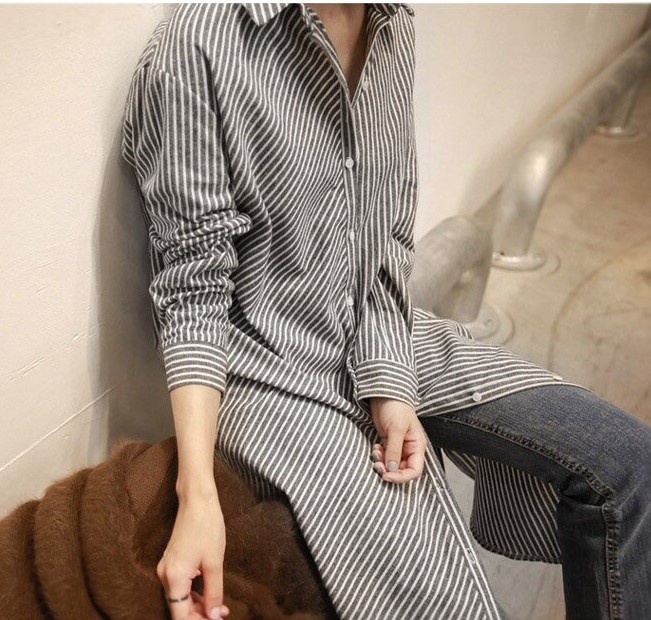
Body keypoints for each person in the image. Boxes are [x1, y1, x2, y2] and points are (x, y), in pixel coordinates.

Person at [120, 3, 651, 619]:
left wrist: (390, 379)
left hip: (381, 326)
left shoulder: (392, 22)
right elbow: (193, 291)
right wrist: (198, 496)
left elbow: (388, 231)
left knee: (628, 465)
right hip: (266, 373)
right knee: (451, 605)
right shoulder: (198, 46)